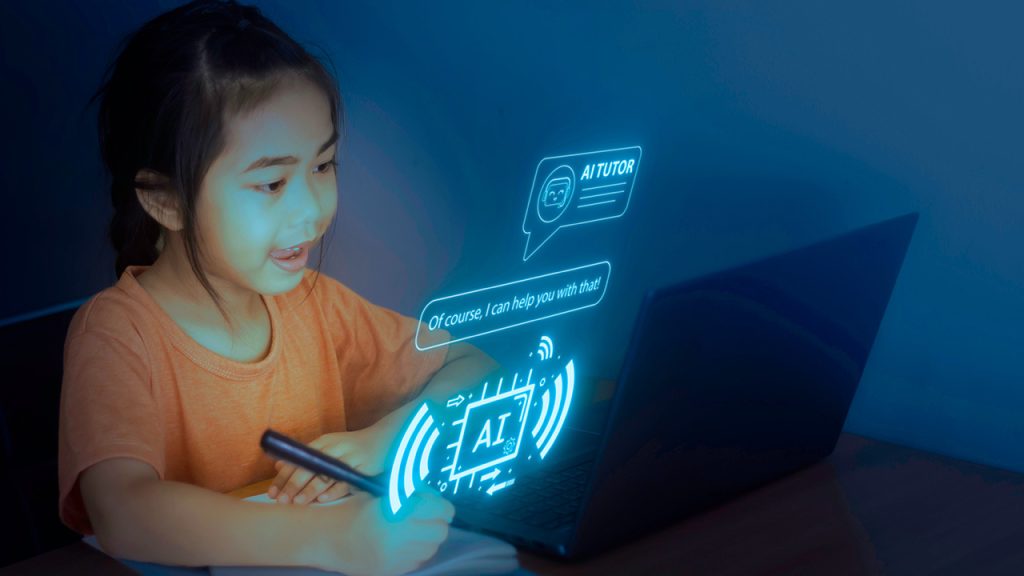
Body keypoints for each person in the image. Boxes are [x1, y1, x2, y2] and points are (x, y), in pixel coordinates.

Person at [57, 1, 496, 574]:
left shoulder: (314, 303)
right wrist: (327, 539)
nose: (313, 210)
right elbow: (123, 511)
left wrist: (388, 438)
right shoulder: (117, 334)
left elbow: (477, 366)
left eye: (324, 165)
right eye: (271, 182)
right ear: (164, 199)